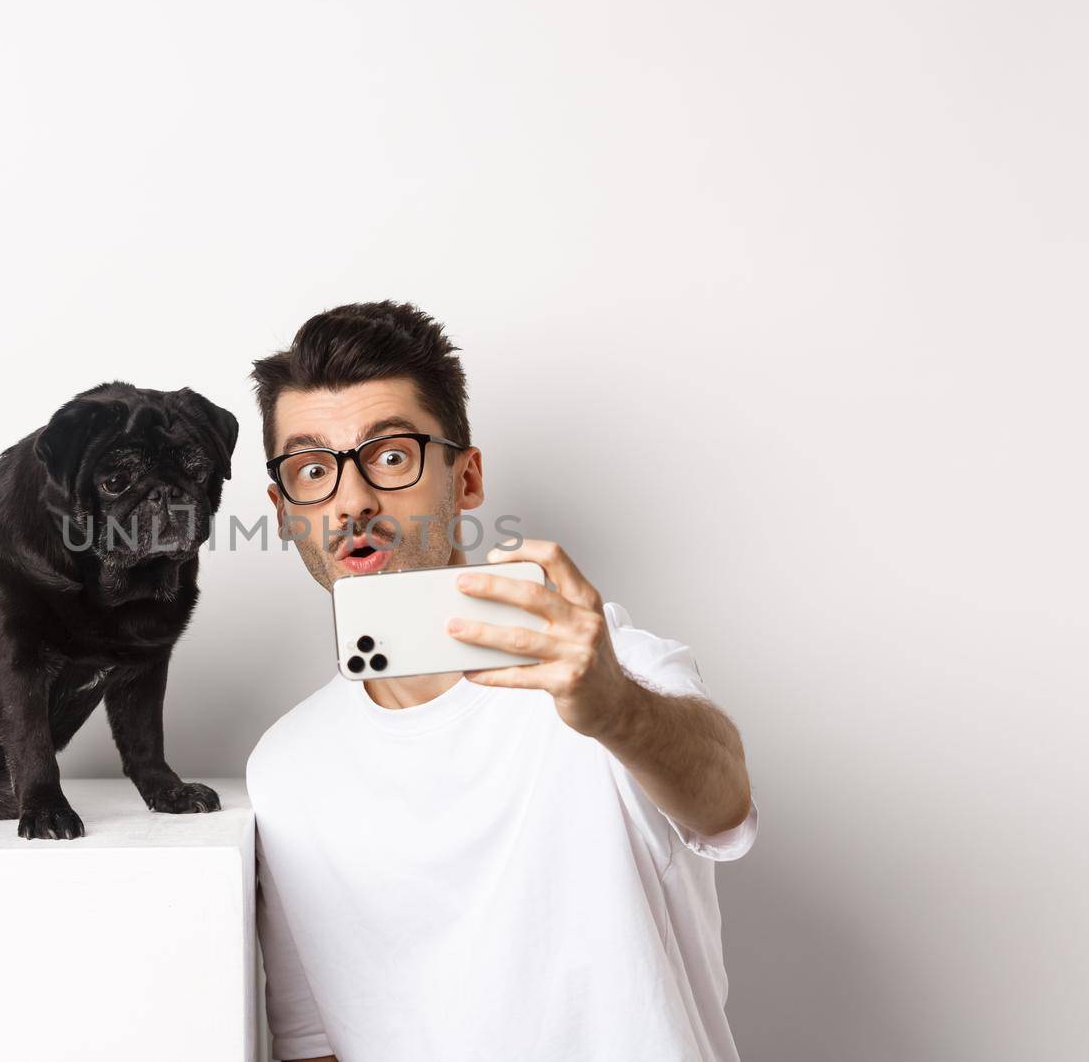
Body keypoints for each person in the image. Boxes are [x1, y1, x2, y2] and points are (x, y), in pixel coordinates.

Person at [244, 301, 758, 1062]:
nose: (352, 499)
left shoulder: (602, 667)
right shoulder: (284, 768)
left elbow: (725, 804)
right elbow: (313, 1041)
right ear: (284, 513)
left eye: (389, 455)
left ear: (467, 475)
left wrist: (617, 709)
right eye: (313, 470)